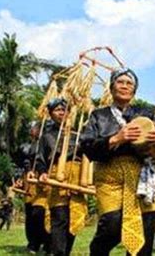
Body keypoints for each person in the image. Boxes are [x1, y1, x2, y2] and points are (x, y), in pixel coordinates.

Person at [80, 68, 155, 256]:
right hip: (111, 177)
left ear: (134, 90)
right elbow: (87, 146)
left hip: (142, 176)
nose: (124, 86)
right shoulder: (99, 116)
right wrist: (116, 138)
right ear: (112, 87)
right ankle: (97, 251)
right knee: (113, 225)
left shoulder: (145, 113)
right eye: (120, 82)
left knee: (147, 223)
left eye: (129, 83)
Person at [35, 98, 87, 256]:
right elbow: (40, 158)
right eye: (57, 110)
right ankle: (57, 252)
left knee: (74, 217)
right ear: (51, 114)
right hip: (57, 175)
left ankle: (65, 252)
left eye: (64, 110)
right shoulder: (47, 136)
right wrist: (43, 172)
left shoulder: (78, 135)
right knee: (59, 216)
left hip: (77, 176)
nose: (62, 113)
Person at [15, 124, 51, 254]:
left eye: (36, 129)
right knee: (31, 213)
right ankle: (33, 243)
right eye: (33, 129)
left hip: (45, 179)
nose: (33, 131)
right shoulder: (25, 147)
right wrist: (19, 177)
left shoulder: (49, 142)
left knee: (41, 212)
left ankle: (48, 242)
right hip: (30, 181)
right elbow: (20, 165)